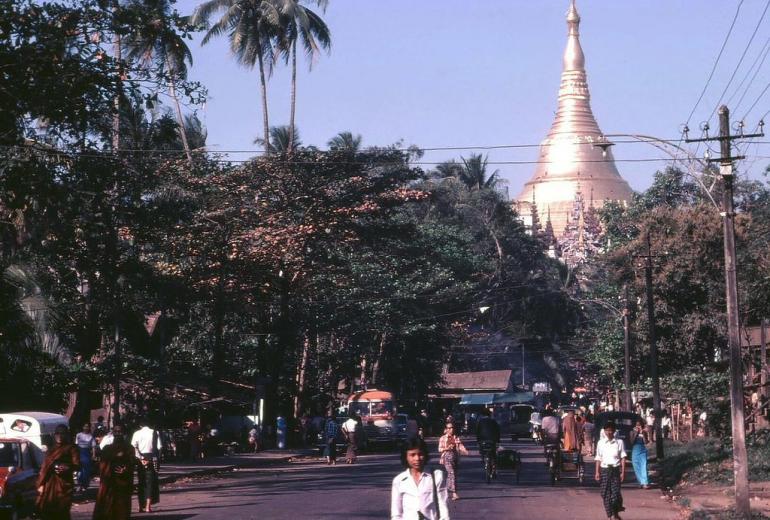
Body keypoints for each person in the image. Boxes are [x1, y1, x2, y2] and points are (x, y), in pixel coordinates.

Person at [391, 437, 449, 520]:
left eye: (420, 454)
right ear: (406, 457)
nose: (417, 458)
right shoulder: (399, 480)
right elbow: (396, 513)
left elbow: (442, 504)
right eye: (412, 455)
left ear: (425, 455)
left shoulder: (436, 476)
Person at [36, 424, 80, 520]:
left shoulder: (71, 448)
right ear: (54, 435)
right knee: (47, 511)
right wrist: (41, 484)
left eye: (62, 433)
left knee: (62, 511)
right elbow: (45, 467)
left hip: (64, 484)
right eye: (57, 433)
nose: (60, 436)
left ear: (66, 435)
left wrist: (67, 467)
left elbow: (77, 465)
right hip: (50, 483)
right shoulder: (51, 449)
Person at [92, 424, 134, 520]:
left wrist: (125, 469)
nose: (118, 434)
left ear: (124, 433)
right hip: (109, 482)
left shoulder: (129, 448)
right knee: (108, 508)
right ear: (113, 433)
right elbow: (102, 464)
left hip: (123, 482)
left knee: (122, 509)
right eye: (116, 431)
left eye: (120, 432)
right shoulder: (107, 448)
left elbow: (132, 463)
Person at [595, 422, 627, 520]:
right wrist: (597, 472)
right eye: (607, 430)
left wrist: (623, 472)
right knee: (605, 494)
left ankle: (616, 512)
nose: (609, 432)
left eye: (610, 430)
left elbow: (623, 458)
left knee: (615, 494)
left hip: (615, 470)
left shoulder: (619, 442)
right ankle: (610, 516)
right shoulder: (600, 443)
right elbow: (598, 458)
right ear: (604, 431)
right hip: (604, 470)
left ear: (614, 431)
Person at [131, 420, 161, 513]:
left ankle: (140, 506)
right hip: (152, 458)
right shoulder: (155, 432)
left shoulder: (136, 433)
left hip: (140, 459)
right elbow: (159, 447)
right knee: (150, 482)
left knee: (141, 482)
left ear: (140, 425)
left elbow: (133, 447)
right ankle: (148, 507)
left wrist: (140, 458)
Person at [438, 422, 467, 501]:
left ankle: (447, 489)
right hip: (447, 457)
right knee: (452, 473)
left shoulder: (455, 437)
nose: (451, 430)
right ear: (446, 429)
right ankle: (454, 493)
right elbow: (439, 449)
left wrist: (465, 451)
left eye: (452, 428)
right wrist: (447, 448)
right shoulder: (442, 438)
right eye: (449, 428)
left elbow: (460, 445)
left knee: (452, 475)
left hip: (455, 458)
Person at [475, 409, 500, 477]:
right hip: (492, 440)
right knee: (493, 454)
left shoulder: (480, 421)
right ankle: (494, 469)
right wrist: (498, 440)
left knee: (482, 449)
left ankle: (482, 458)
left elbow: (477, 431)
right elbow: (497, 431)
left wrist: (478, 440)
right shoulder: (493, 421)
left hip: (483, 440)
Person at [75, 423, 96, 492]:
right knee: (80, 469)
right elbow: (76, 445)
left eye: (87, 427)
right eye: (85, 426)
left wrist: (93, 455)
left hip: (87, 454)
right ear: (83, 427)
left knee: (86, 470)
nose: (86, 428)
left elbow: (93, 446)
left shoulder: (91, 436)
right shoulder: (78, 435)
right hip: (80, 452)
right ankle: (79, 484)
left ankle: (85, 485)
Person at [629, 419, 650, 489]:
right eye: (637, 425)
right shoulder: (632, 432)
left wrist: (643, 433)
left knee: (644, 465)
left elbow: (646, 442)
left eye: (639, 425)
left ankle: (645, 482)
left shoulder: (644, 432)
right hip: (635, 450)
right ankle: (640, 481)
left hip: (642, 449)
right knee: (636, 466)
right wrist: (636, 433)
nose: (638, 427)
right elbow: (632, 442)